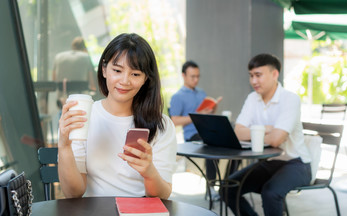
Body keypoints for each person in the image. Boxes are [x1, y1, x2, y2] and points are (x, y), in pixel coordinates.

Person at [57, 33, 177, 199]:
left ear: (146, 79)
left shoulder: (161, 125)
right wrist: (64, 146)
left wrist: (149, 172)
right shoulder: (83, 118)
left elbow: (163, 195)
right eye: (117, 70)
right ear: (104, 70)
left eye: (135, 74)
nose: (125, 81)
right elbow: (73, 192)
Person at [224, 53, 312, 216]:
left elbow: (276, 140)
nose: (253, 80)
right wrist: (268, 128)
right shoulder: (252, 98)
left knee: (270, 192)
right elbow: (238, 132)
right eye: (251, 75)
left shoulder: (290, 99)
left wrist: (260, 132)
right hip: (269, 162)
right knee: (227, 187)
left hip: (296, 163)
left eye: (258, 75)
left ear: (274, 74)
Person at [169, 60, 222, 200]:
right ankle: (211, 188)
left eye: (198, 76)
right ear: (184, 75)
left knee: (230, 142)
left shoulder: (201, 93)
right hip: (193, 135)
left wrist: (212, 109)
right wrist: (197, 116)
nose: (196, 79)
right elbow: (174, 121)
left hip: (207, 131)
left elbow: (206, 115)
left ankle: (225, 186)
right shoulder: (177, 97)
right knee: (211, 147)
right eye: (192, 76)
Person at [53, 36, 97, 108]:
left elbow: (54, 80)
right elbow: (92, 85)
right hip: (81, 101)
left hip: (62, 100)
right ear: (84, 47)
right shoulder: (86, 57)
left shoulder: (58, 56)